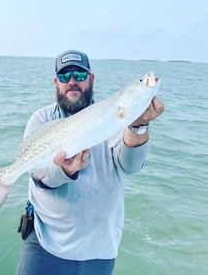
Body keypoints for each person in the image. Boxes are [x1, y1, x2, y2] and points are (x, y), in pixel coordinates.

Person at [15, 50, 164, 275]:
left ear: (91, 79)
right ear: (56, 82)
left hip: (100, 249)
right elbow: (39, 176)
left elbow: (130, 166)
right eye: (65, 77)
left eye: (79, 75)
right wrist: (64, 171)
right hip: (46, 246)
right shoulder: (42, 119)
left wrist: (138, 125)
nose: (72, 82)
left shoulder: (112, 118)